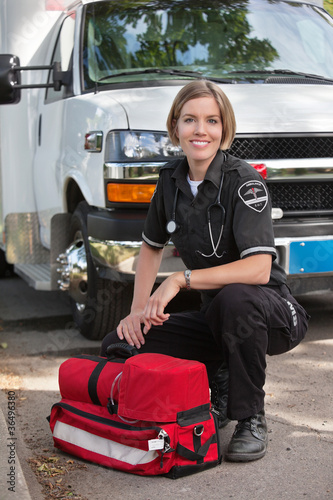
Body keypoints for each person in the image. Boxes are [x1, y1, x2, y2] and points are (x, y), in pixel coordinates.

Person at [101, 80, 309, 462]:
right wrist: (136, 310)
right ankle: (212, 387)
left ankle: (250, 417)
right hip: (216, 317)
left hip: (272, 315)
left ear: (224, 129)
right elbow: (150, 246)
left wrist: (180, 279)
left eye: (212, 121)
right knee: (122, 342)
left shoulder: (244, 181)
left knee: (236, 298)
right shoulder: (170, 180)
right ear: (175, 127)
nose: (201, 130)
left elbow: (260, 268)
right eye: (190, 120)